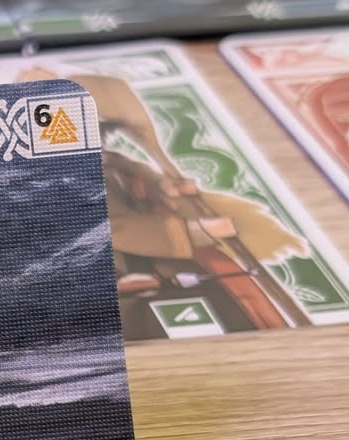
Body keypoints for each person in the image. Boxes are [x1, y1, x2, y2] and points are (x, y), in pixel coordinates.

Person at [19, 67, 312, 339]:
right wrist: (196, 231)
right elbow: (110, 227)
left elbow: (135, 172)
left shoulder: (105, 159)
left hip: (161, 256)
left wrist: (164, 186)